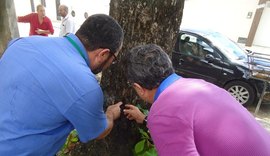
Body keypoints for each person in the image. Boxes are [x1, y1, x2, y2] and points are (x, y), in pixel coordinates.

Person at [0, 14, 123, 155]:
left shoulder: (21, 43)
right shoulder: (85, 86)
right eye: (113, 59)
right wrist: (110, 114)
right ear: (103, 54)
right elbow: (98, 131)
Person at [123, 44, 270, 156]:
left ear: (139, 88)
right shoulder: (199, 85)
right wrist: (146, 120)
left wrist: (155, 119)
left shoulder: (164, 111)